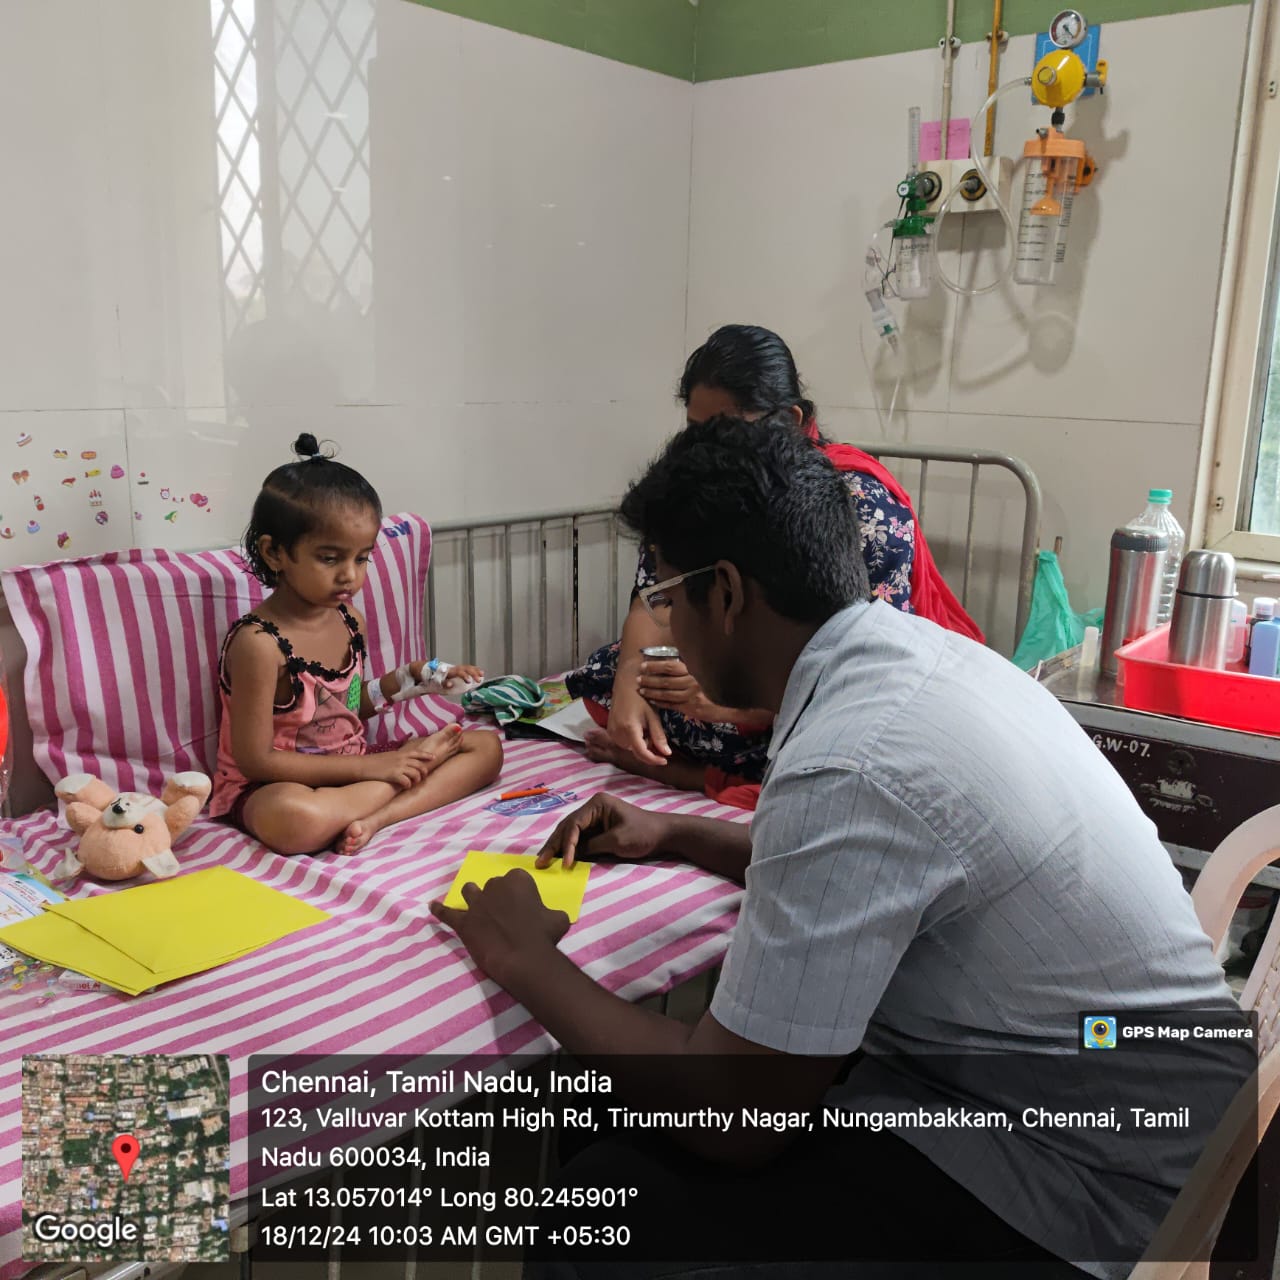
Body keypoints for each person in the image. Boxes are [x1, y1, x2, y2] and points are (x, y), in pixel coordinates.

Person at [431, 414, 1252, 1278]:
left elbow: (738, 1119)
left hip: (1094, 1186)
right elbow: (873, 871)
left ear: (728, 594)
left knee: (594, 1213)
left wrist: (523, 956)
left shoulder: (852, 757)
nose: (664, 625)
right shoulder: (914, 659)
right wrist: (675, 831)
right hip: (1131, 1102)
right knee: (603, 1105)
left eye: (667, 595)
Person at [567, 323, 981, 807]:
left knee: (832, 752)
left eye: (729, 430)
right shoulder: (698, 489)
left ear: (791, 420)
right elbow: (656, 594)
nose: (709, 452)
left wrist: (727, 701)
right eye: (698, 433)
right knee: (609, 675)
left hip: (799, 692)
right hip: (726, 668)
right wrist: (632, 679)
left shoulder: (860, 505)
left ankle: (699, 770)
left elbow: (861, 669)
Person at [210, 434, 503, 855]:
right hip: (275, 784)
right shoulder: (259, 644)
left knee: (486, 747)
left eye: (361, 558)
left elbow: (347, 706)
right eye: (329, 558)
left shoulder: (350, 621)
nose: (350, 575)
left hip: (352, 770)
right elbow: (255, 760)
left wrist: (413, 678)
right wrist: (376, 767)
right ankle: (410, 779)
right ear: (274, 553)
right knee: (296, 819)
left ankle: (378, 817)